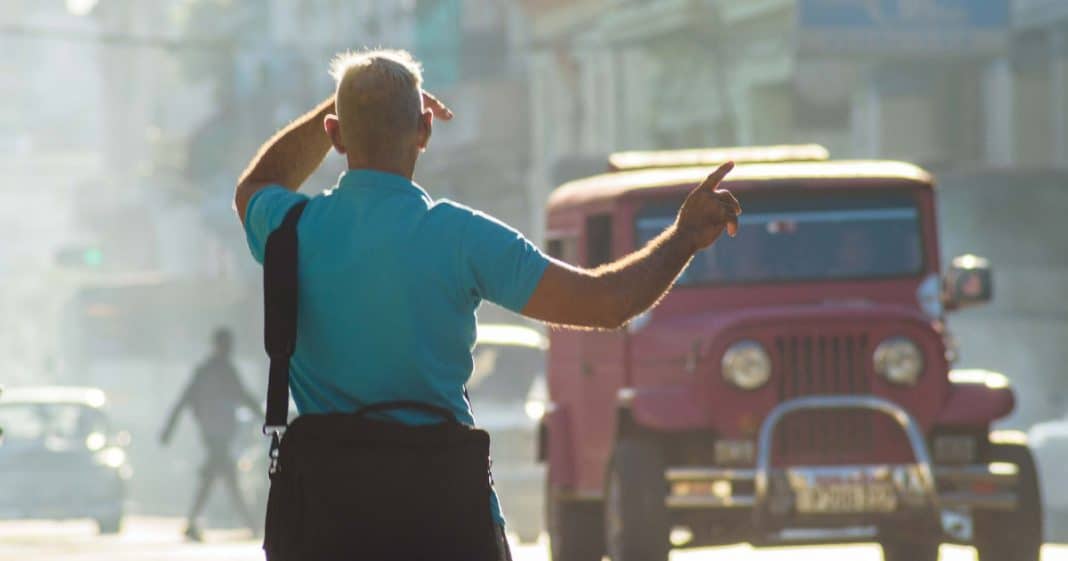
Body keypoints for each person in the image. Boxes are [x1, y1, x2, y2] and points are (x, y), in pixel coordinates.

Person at [234, 49, 739, 560]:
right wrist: (682, 238)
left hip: (324, 521)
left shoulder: (290, 228)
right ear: (424, 130)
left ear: (335, 135)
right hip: (446, 515)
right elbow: (608, 303)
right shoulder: (462, 237)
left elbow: (256, 183)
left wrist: (345, 109)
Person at [160, 327, 262, 542]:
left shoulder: (217, 370)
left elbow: (242, 396)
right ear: (219, 345)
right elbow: (185, 399)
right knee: (224, 477)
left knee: (218, 477)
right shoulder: (213, 371)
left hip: (217, 432)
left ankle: (197, 522)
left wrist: (266, 417)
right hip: (215, 433)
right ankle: (249, 524)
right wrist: (168, 429)